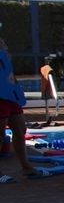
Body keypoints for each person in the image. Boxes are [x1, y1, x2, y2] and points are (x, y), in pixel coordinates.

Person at [0, 33, 39, 182]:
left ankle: (26, 167)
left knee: (20, 129)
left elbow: (8, 70)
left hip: (11, 92)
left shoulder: (2, 43)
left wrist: (17, 88)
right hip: (0, 95)